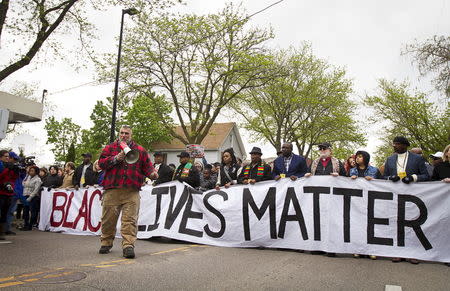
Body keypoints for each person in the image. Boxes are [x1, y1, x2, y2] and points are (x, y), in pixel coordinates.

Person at [98, 125, 157, 259]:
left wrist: (153, 174)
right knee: (108, 219)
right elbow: (101, 164)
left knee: (130, 220)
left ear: (131, 135)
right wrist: (115, 159)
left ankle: (128, 246)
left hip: (132, 191)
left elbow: (147, 167)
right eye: (122, 133)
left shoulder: (140, 150)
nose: (124, 135)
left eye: (127, 134)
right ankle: (106, 242)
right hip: (112, 189)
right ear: (119, 134)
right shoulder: (110, 148)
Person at [383, 136, 429, 264]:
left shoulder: (418, 159)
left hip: (412, 196)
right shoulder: (390, 159)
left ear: (404, 145)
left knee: (412, 224)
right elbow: (384, 176)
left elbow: (426, 175)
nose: (394, 146)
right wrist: (390, 178)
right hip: (395, 196)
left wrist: (413, 178)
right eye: (393, 144)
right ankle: (398, 252)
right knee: (396, 224)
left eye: (397, 144)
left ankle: (413, 253)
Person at [350, 150, 380, 260]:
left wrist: (374, 180)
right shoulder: (352, 171)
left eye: (361, 156)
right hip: (356, 203)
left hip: (370, 202)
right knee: (357, 226)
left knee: (370, 226)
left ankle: (371, 250)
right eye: (357, 156)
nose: (358, 158)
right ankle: (357, 249)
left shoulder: (374, 170)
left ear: (366, 158)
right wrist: (350, 180)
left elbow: (383, 183)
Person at [5, 152, 26, 235]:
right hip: (7, 192)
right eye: (14, 159)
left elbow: (22, 178)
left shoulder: (17, 169)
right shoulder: (5, 167)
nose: (15, 161)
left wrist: (22, 170)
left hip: (15, 193)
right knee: (4, 211)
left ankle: (7, 229)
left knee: (10, 212)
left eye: (16, 159)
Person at [0, 150, 18, 240]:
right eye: (5, 156)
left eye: (8, 156)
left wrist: (16, 171)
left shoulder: (10, 166)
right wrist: (7, 169)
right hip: (1, 192)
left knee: (4, 213)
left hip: (8, 192)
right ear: (1, 157)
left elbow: (13, 179)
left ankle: (1, 232)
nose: (7, 158)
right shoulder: (1, 165)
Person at [21, 166, 42, 231]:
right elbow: (23, 184)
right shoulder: (28, 177)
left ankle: (30, 225)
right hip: (25, 195)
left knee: (33, 212)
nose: (30, 172)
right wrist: (26, 178)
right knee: (25, 211)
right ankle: (25, 224)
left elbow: (36, 190)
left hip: (33, 197)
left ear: (36, 172)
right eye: (30, 170)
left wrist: (30, 197)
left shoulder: (38, 179)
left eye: (32, 171)